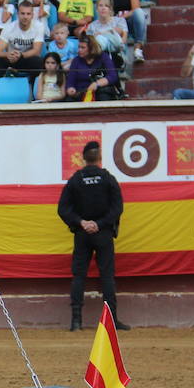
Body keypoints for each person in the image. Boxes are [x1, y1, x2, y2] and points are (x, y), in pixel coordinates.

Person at [57, 140, 126, 332]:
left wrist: (81, 222)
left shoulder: (76, 180)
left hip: (82, 234)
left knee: (79, 275)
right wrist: (100, 224)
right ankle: (111, 321)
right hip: (103, 233)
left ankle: (76, 321)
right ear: (100, 158)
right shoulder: (107, 178)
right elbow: (117, 208)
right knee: (107, 275)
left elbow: (63, 209)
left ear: (83, 158)